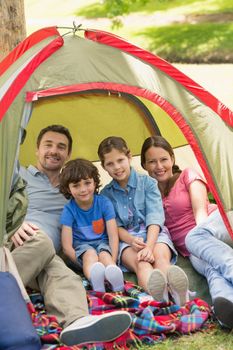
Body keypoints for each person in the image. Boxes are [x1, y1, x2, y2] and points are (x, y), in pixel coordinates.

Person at [10, 125, 132, 346]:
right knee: (43, 242)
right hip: (17, 241)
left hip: (47, 254)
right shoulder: (19, 174)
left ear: (68, 154)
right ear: (37, 149)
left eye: (61, 147)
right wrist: (14, 223)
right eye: (48, 145)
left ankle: (78, 321)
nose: (54, 150)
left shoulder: (74, 188)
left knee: (64, 275)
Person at [141, 135, 233, 329]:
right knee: (210, 270)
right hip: (192, 250)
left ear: (172, 159)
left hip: (214, 226)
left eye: (163, 159)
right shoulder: (149, 193)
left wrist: (199, 240)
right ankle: (226, 308)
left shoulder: (187, 176)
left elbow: (200, 212)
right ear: (144, 165)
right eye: (152, 161)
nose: (159, 166)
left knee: (194, 237)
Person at [97, 136, 189, 306]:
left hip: (154, 232)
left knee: (160, 258)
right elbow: (115, 226)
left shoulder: (148, 183)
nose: (117, 167)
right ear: (104, 166)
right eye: (110, 164)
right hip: (127, 239)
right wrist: (132, 240)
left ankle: (179, 291)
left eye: (120, 160)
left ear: (129, 157)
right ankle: (160, 297)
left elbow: (155, 217)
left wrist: (149, 245)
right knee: (142, 263)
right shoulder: (105, 195)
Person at [59, 158, 124, 292]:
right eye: (76, 185)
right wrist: (82, 264)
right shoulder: (69, 210)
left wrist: (113, 258)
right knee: (90, 254)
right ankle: (95, 281)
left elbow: (113, 236)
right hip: (81, 250)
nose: (83, 189)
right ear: (68, 188)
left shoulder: (104, 203)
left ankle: (115, 278)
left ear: (95, 183)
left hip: (102, 244)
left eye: (87, 183)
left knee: (104, 254)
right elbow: (66, 247)